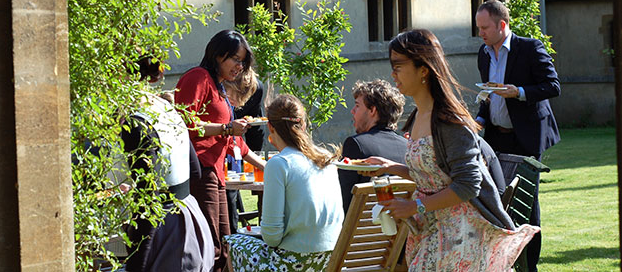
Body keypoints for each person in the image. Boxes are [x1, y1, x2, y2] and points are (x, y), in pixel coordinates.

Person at [362, 29, 539, 271]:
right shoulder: (417, 116)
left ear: (423, 69)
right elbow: (435, 175)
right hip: (431, 232)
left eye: (399, 65)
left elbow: (467, 185)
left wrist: (415, 206)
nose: (393, 73)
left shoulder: (449, 121)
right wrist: (390, 167)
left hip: (462, 237)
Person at [475, 0, 560, 271]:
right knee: (495, 199)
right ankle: (501, 261)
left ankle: (529, 265)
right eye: (478, 28)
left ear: (502, 24)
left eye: (485, 27)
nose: (481, 33)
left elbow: (552, 86)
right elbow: (487, 95)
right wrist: (478, 119)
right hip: (495, 139)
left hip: (525, 138)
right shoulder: (484, 53)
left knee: (525, 202)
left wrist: (519, 92)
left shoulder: (530, 48)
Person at [174, 30, 267, 272]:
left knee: (226, 243)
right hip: (200, 170)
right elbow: (185, 124)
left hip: (216, 174)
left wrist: (267, 167)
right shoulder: (198, 77)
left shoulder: (220, 87)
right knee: (211, 245)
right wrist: (226, 127)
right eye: (236, 59)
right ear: (218, 55)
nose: (240, 67)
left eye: (243, 62)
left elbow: (235, 144)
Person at [225, 94, 344, 271]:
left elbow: (272, 237)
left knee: (232, 242)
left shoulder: (279, 164)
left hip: (292, 261)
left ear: (270, 127)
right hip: (329, 258)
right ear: (303, 124)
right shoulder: (326, 158)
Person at [122, 56, 214, 272]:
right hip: (191, 217)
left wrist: (136, 264)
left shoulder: (136, 122)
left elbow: (148, 200)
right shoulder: (165, 106)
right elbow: (195, 171)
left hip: (165, 232)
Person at [338, 79, 408, 213]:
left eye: (357, 106)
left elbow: (343, 204)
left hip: (359, 232)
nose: (352, 111)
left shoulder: (356, 145)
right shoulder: (409, 148)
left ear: (372, 110)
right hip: (402, 231)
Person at [223, 67, 265, 233]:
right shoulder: (216, 91)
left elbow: (256, 130)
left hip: (238, 147)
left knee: (233, 188)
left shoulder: (257, 88)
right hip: (216, 152)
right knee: (228, 195)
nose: (240, 103)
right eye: (237, 96)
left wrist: (257, 163)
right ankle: (230, 236)